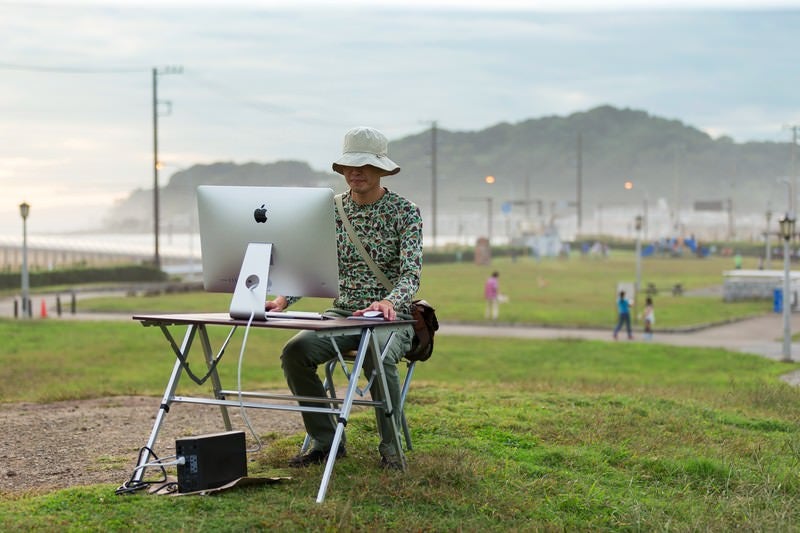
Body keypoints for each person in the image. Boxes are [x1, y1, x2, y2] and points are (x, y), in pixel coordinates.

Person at [267, 126, 423, 470]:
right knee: (296, 351)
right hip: (341, 314)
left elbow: (411, 275)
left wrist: (389, 302)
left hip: (391, 318)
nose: (356, 172)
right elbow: (313, 263)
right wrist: (282, 300)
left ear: (382, 169)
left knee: (378, 356)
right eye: (350, 165)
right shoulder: (330, 210)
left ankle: (391, 449)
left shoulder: (405, 212)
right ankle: (326, 442)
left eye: (365, 165)